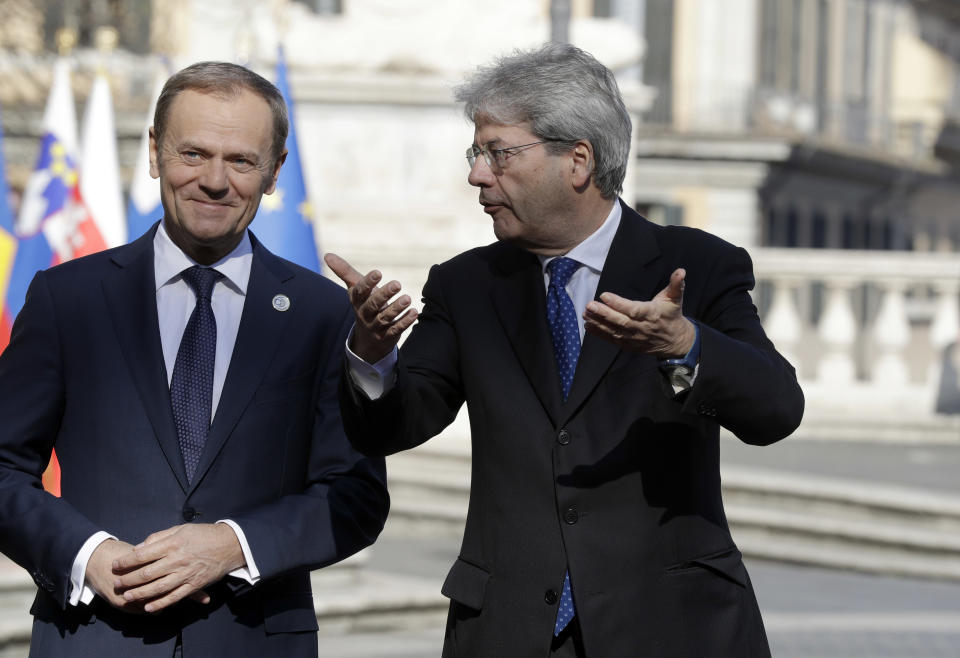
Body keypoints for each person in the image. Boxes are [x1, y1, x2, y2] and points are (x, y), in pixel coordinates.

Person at [326, 43, 804, 657]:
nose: (477, 174)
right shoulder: (466, 285)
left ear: (577, 160)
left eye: (498, 154)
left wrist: (684, 344)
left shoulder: (698, 267)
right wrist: (372, 352)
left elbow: (776, 411)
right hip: (509, 631)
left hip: (672, 628)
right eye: (477, 153)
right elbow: (396, 423)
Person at [0, 61, 389, 657]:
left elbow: (356, 495)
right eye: (193, 153)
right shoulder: (67, 299)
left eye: (240, 160)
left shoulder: (324, 315)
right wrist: (87, 554)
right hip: (94, 638)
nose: (214, 180)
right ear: (154, 154)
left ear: (275, 171)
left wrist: (234, 545)